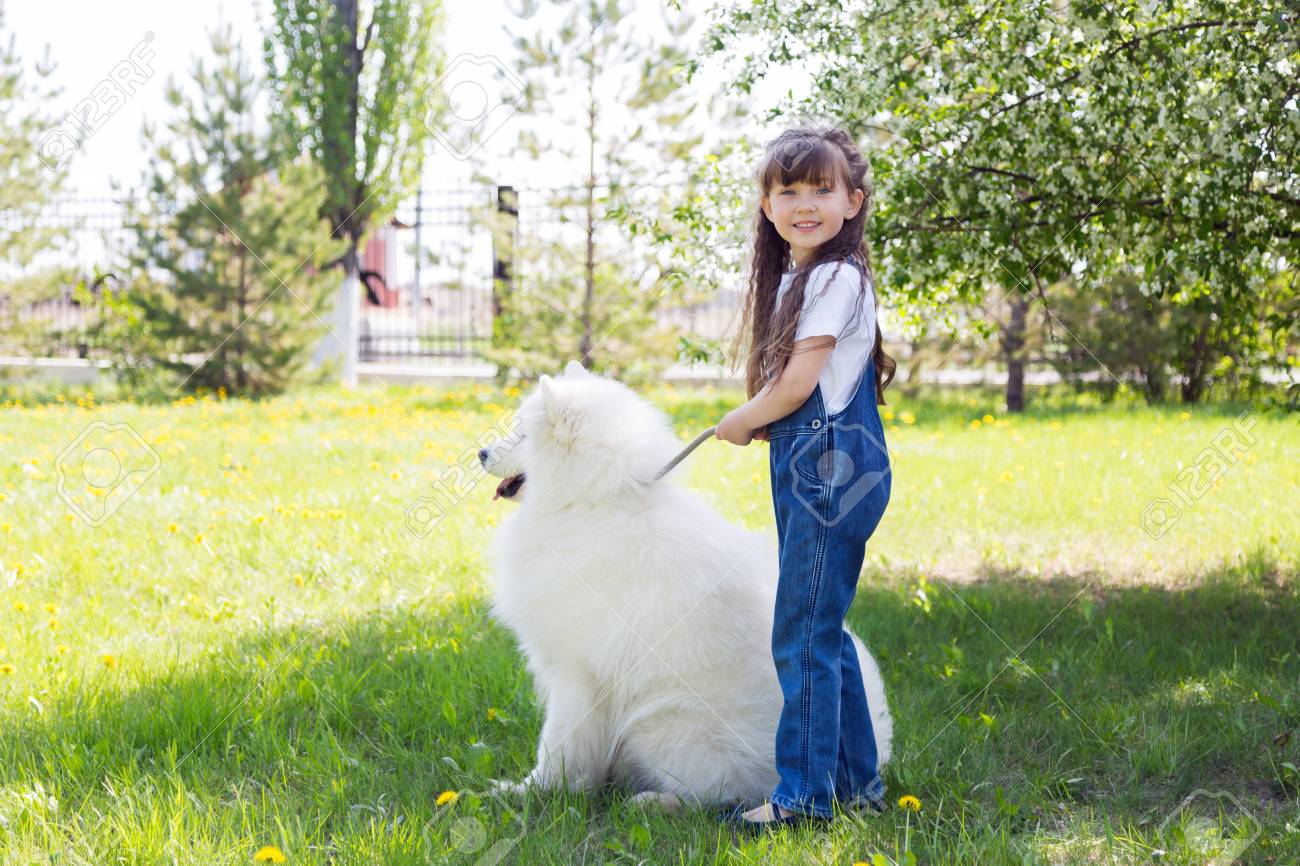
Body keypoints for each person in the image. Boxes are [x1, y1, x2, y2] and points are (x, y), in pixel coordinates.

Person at [714, 125, 898, 831]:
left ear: (853, 202)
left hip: (831, 470)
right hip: (814, 465)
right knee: (822, 626)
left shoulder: (834, 277)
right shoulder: (803, 276)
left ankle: (804, 798)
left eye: (822, 189)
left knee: (801, 632)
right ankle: (855, 785)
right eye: (788, 191)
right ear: (766, 206)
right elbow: (798, 388)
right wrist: (767, 415)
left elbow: (796, 387)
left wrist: (743, 418)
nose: (805, 204)